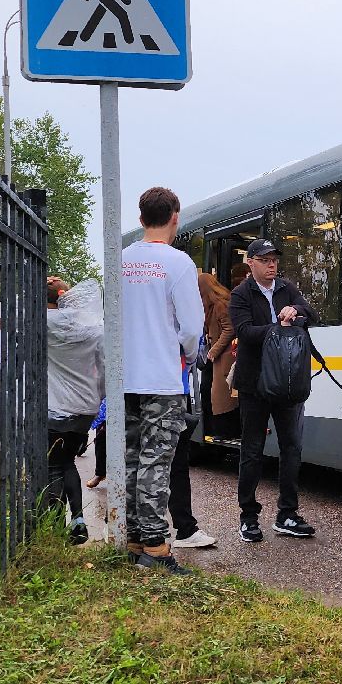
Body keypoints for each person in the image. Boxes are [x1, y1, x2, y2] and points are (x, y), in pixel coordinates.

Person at [120, 186, 205, 572]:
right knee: (158, 462)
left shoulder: (119, 260)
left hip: (125, 378)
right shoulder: (179, 263)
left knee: (134, 458)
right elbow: (191, 327)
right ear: (175, 216)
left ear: (140, 219)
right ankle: (155, 549)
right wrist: (187, 354)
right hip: (161, 378)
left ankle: (135, 536)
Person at [229, 238, 319, 542]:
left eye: (274, 260)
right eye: (265, 260)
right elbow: (243, 332)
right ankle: (248, 517)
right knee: (252, 450)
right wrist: (277, 326)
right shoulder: (240, 294)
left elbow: (311, 314)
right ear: (251, 263)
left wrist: (296, 311)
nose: (272, 265)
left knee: (292, 447)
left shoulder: (286, 288)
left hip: (287, 382)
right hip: (254, 384)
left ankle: (287, 514)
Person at [45, 277, 104, 544]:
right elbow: (103, 368)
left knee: (54, 466)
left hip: (55, 407)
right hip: (85, 408)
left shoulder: (43, 324)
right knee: (67, 461)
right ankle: (78, 519)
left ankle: (56, 526)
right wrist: (98, 396)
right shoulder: (92, 328)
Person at [199, 271, 239, 438]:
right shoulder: (213, 304)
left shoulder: (220, 305)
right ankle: (213, 430)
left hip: (223, 356)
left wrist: (214, 350)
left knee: (219, 395)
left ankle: (222, 432)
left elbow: (229, 329)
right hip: (217, 356)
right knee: (208, 391)